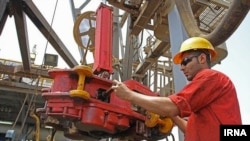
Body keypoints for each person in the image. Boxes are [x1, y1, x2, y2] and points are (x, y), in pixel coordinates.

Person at [111, 37, 242, 141]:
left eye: (185, 61)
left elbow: (173, 106)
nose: (182, 68)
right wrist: (171, 115)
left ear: (202, 58)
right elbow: (189, 129)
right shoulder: (204, 97)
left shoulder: (210, 77)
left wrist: (129, 95)